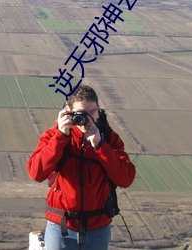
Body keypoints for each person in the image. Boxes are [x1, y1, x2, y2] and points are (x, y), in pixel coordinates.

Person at [27, 84, 136, 250]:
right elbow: (36, 172)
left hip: (97, 228)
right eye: (82, 114)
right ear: (69, 111)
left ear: (98, 110)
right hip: (62, 226)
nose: (88, 119)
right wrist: (61, 137)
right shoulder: (55, 135)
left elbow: (126, 178)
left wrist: (100, 146)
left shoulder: (109, 139)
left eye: (92, 112)